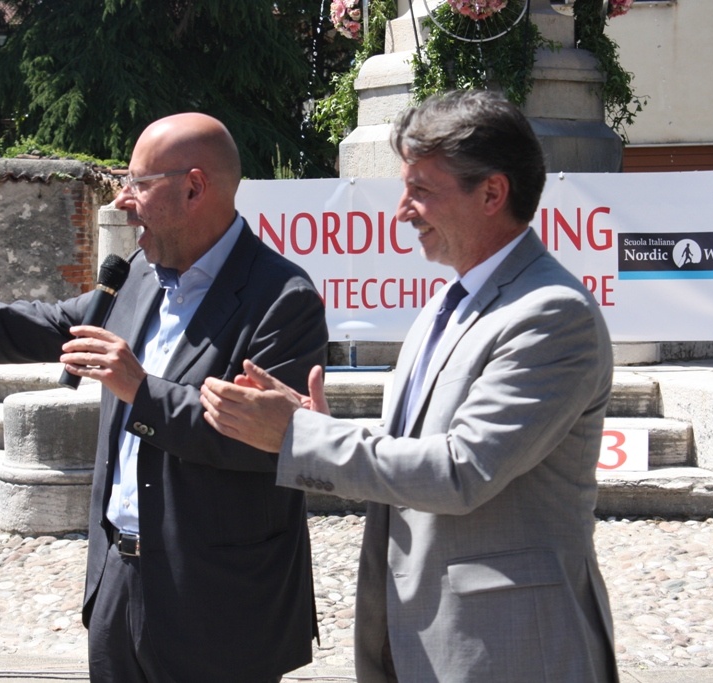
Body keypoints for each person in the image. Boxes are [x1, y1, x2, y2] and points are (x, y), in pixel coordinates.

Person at [0, 113, 328, 683]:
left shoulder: (282, 299)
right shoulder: (140, 273)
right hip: (119, 583)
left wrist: (140, 390)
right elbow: (48, 324)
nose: (122, 201)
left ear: (194, 187)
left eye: (137, 183)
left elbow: (264, 443)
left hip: (220, 604)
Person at [200, 90, 618, 683]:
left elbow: (460, 470)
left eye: (420, 189)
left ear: (492, 193)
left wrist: (298, 437)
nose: (402, 211)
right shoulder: (448, 302)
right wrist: (318, 427)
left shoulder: (550, 314)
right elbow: (415, 450)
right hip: (421, 639)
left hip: (509, 650)